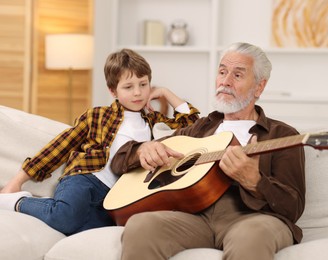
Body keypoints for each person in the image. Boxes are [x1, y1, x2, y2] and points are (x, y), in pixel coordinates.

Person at [110, 42, 305, 260]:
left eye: (237, 75)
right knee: (141, 225)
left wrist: (256, 181)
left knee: (251, 237)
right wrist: (144, 149)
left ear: (259, 87)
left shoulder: (283, 135)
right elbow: (119, 160)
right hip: (194, 216)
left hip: (251, 217)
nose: (225, 82)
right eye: (222, 72)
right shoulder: (201, 127)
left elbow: (293, 207)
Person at [0, 48, 200, 236]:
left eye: (143, 84)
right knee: (66, 218)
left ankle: (54, 206)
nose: (138, 93)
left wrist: (165, 92)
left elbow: (192, 124)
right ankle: (17, 202)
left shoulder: (154, 121)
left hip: (117, 195)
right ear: (113, 91)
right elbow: (59, 147)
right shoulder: (97, 116)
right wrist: (16, 182)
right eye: (128, 87)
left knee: (87, 228)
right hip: (85, 178)